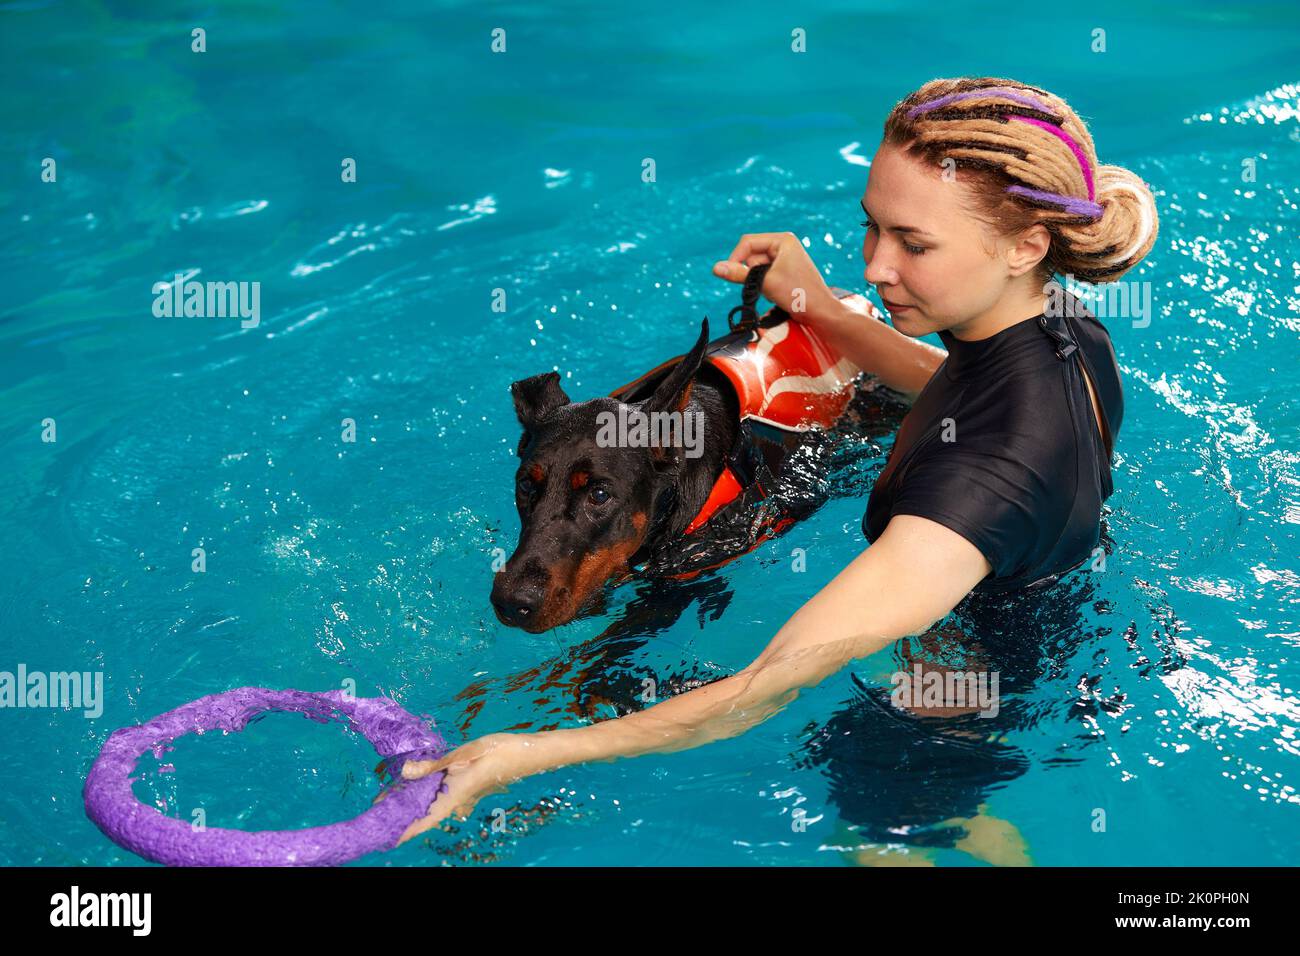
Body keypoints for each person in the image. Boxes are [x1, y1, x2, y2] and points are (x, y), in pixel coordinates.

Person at [396, 76, 1160, 862]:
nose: (875, 268)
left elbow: (761, 689)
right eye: (873, 229)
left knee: (889, 832)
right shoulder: (1063, 330)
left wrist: (519, 756)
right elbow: (952, 386)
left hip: (938, 713)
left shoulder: (978, 481)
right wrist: (822, 312)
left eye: (914, 244)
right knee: (962, 827)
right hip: (1049, 620)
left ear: (1025, 246)